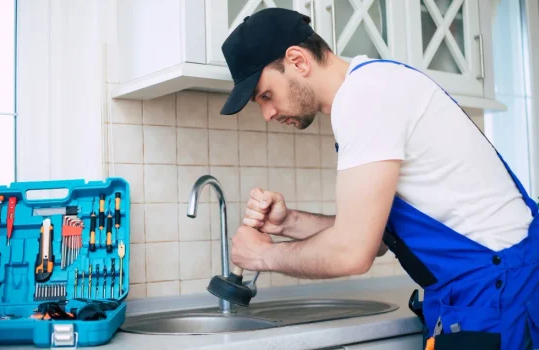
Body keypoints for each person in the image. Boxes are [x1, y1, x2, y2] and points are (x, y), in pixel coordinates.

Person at [218, 8, 538, 350]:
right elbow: (380, 237)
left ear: (298, 61)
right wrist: (288, 222)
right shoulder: (374, 85)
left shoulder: (363, 98)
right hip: (491, 288)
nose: (267, 114)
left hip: (500, 292)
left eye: (266, 95)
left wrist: (262, 257)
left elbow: (353, 252)